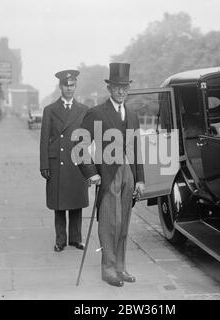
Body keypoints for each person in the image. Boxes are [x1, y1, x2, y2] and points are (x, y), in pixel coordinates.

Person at [78, 63, 145, 287]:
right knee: (110, 224)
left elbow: (136, 149)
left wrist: (140, 179)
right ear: (109, 88)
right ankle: (108, 269)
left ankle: (120, 267)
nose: (121, 91)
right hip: (108, 175)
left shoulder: (133, 115)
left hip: (129, 175)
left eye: (124, 87)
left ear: (128, 89)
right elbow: (79, 144)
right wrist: (91, 174)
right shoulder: (97, 112)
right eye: (117, 87)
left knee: (124, 224)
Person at [40, 70, 89, 253]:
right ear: (60, 87)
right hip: (57, 163)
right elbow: (44, 139)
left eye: (72, 85)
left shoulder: (84, 110)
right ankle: (60, 240)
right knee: (59, 204)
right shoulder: (50, 110)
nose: (69, 88)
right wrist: (44, 164)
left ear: (75, 87)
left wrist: (90, 167)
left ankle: (76, 239)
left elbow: (87, 139)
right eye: (66, 85)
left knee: (76, 201)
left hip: (77, 162)